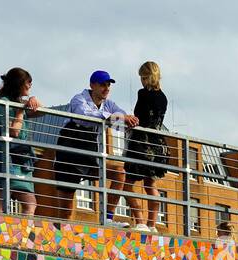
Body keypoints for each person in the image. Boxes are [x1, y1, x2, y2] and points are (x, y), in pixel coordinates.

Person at [46, 70, 138, 222]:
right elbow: (86, 117)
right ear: (92, 85)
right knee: (66, 211)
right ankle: (61, 239)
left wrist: (129, 119)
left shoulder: (108, 104)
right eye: (103, 85)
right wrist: (116, 118)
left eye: (108, 85)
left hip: (90, 155)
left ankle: (107, 217)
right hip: (70, 155)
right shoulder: (78, 99)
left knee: (119, 172)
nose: (107, 88)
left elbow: (120, 119)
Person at [0, 67, 41, 215]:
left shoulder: (16, 101)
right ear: (18, 83)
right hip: (6, 155)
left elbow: (40, 113)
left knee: (25, 202)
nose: (30, 85)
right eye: (28, 82)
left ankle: (21, 235)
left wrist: (34, 101)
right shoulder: (4, 103)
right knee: (4, 199)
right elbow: (14, 132)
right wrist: (20, 110)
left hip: (19, 158)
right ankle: (2, 233)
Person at [124, 61, 169, 233]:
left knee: (128, 185)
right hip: (158, 144)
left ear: (147, 77)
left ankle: (141, 221)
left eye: (142, 77)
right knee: (151, 186)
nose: (141, 81)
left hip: (141, 143)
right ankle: (152, 224)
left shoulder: (142, 94)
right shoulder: (163, 97)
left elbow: (138, 117)